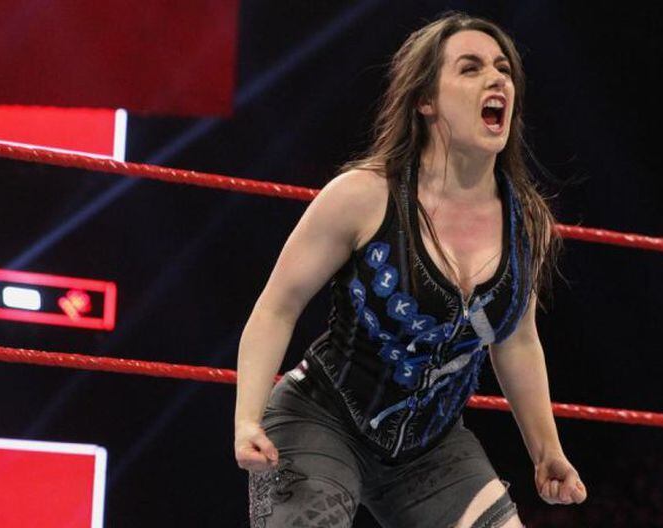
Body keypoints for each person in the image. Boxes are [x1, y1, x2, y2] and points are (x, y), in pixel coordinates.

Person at [234, 12, 587, 527]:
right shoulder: (364, 195)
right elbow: (276, 308)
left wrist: (546, 450)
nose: (496, 79)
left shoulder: (526, 222)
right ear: (425, 101)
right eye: (470, 68)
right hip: (323, 418)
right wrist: (246, 418)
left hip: (432, 447)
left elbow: (515, 339)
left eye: (503, 68)